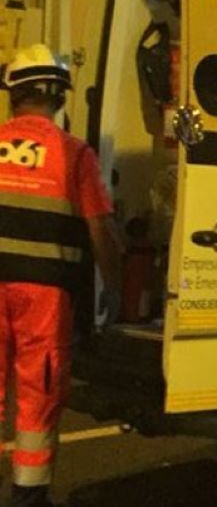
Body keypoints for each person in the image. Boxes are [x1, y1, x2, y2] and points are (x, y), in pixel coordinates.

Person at [0, 44, 121, 507]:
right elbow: (100, 227)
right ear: (58, 95)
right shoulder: (73, 154)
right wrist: (111, 286)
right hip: (44, 295)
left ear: (14, 94)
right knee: (38, 394)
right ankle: (28, 498)